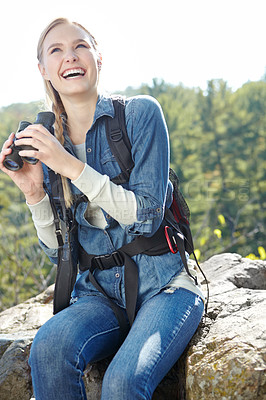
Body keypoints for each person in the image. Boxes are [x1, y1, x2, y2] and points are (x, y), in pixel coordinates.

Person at [0, 18, 205, 400]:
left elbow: (147, 216)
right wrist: (34, 194)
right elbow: (55, 250)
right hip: (97, 295)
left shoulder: (140, 114)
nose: (70, 56)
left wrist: (70, 166)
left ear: (98, 57)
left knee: (121, 384)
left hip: (164, 287)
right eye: (55, 50)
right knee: (48, 348)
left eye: (80, 46)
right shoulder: (49, 142)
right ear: (43, 70)